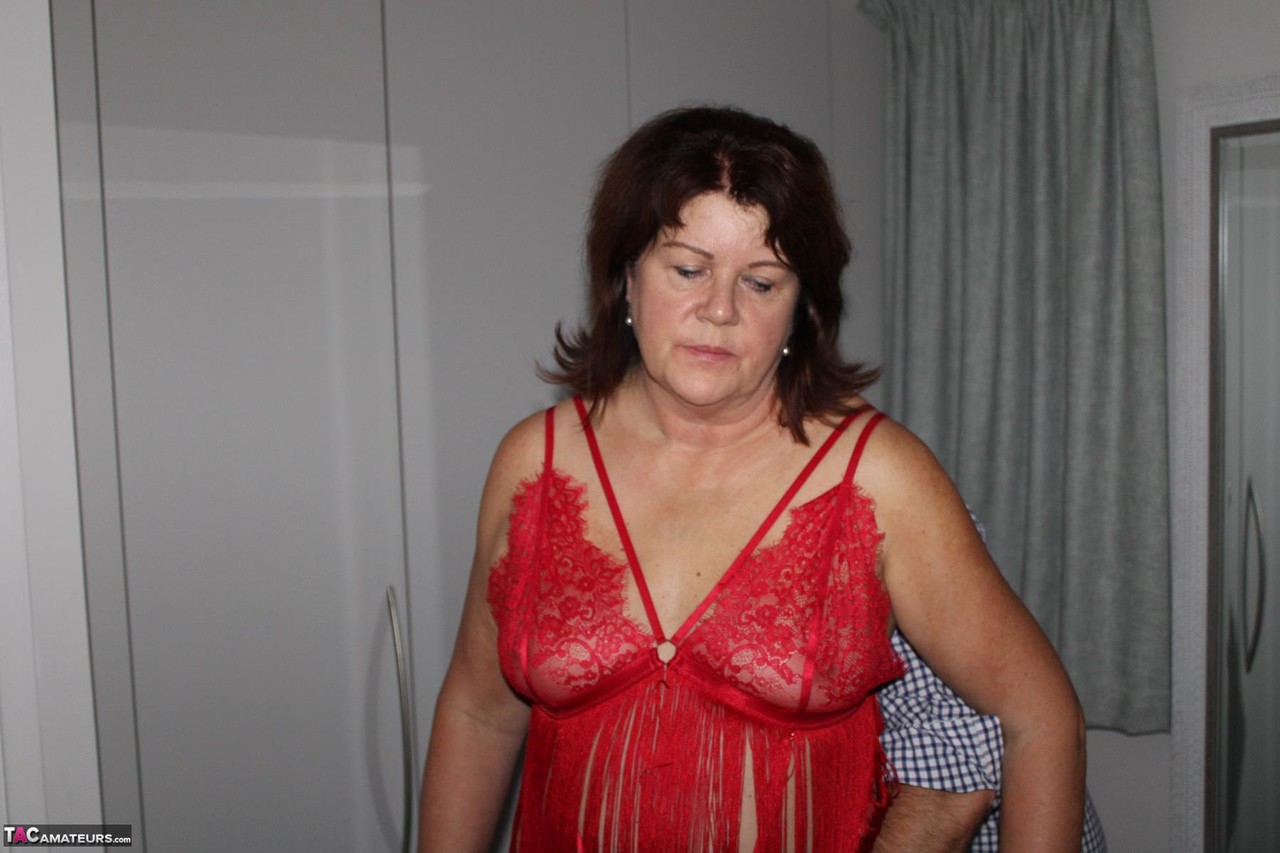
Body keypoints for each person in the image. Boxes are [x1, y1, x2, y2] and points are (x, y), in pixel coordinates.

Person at [419, 106, 1086, 851]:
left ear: (801, 306)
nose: (720, 310)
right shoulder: (532, 464)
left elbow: (1040, 717)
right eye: (688, 269)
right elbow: (478, 712)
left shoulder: (880, 478)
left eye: (761, 283)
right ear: (626, 277)